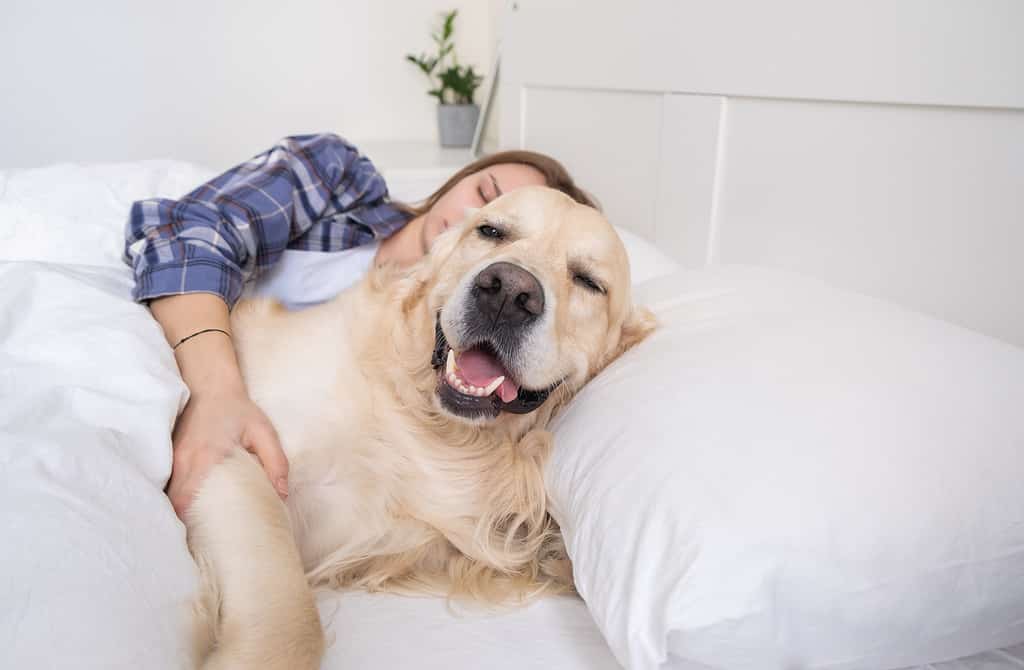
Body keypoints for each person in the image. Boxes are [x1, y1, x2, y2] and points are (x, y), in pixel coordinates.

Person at [122, 133, 596, 519]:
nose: (474, 221)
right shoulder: (337, 174)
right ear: (457, 179)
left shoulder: (421, 356)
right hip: (167, 350)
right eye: (490, 211)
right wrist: (216, 392)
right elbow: (187, 231)